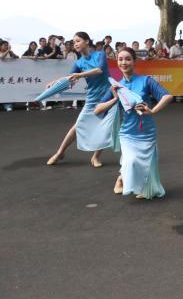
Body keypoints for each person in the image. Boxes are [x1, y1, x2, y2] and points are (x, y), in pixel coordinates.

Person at [95, 48, 173, 198]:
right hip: (128, 133)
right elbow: (97, 110)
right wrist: (115, 99)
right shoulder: (116, 87)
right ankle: (121, 179)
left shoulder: (146, 81)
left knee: (145, 165)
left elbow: (167, 96)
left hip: (147, 131)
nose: (124, 62)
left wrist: (153, 110)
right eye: (120, 59)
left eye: (128, 59)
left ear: (134, 61)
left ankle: (141, 187)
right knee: (131, 161)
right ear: (117, 62)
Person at [46, 32, 120, 167]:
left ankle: (95, 157)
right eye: (74, 42)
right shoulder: (79, 62)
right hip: (92, 98)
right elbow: (70, 78)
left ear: (87, 41)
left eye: (78, 41)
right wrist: (55, 82)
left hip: (108, 95)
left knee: (106, 127)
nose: (75, 44)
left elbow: (99, 70)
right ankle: (60, 152)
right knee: (78, 125)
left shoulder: (100, 54)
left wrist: (79, 75)